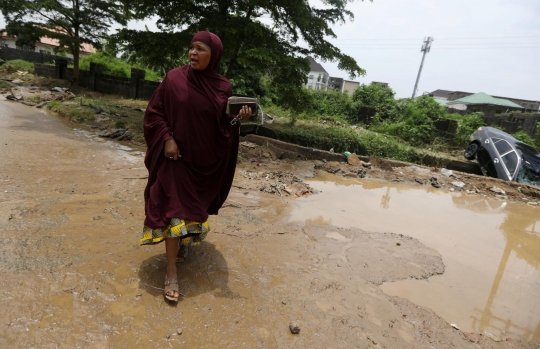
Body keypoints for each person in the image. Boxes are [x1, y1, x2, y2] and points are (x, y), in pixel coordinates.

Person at [140, 31, 252, 302]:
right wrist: (167, 138)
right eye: (191, 48)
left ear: (213, 55)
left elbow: (222, 127)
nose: (193, 53)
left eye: (200, 49)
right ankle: (171, 273)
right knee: (173, 211)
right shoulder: (173, 78)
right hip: (175, 159)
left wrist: (238, 120)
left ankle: (182, 246)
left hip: (203, 161)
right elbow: (155, 113)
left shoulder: (222, 86)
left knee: (190, 211)